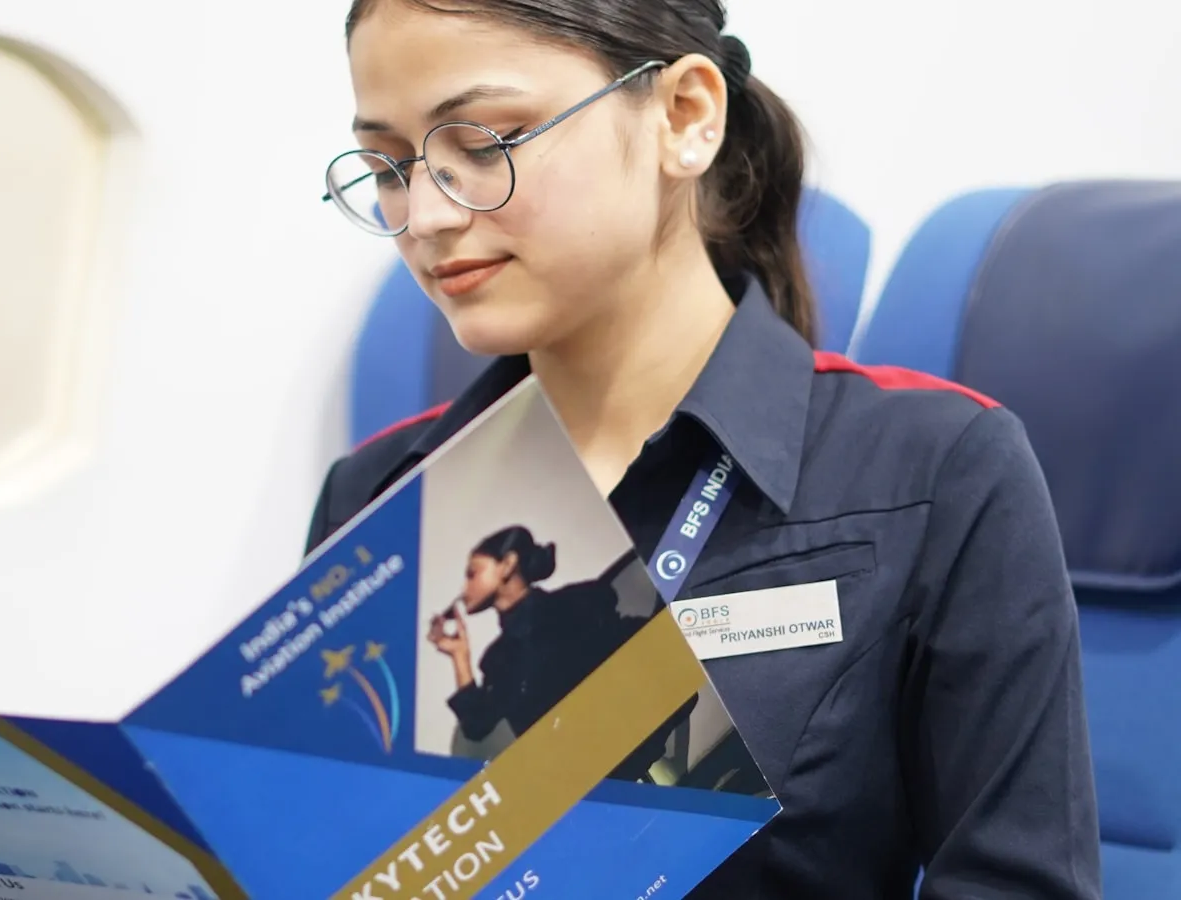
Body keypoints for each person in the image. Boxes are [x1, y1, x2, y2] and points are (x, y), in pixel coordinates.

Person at [302, 1, 1101, 897]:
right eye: (390, 163)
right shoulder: (379, 496)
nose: (427, 215)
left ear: (684, 117)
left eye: (485, 143)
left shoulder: (938, 474)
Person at [428, 525, 692, 780]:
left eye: (473, 573)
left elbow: (660, 658)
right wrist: (459, 655)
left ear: (507, 565)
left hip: (626, 761)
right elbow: (477, 724)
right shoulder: (498, 659)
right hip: (591, 786)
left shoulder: (579, 603)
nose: (464, 588)